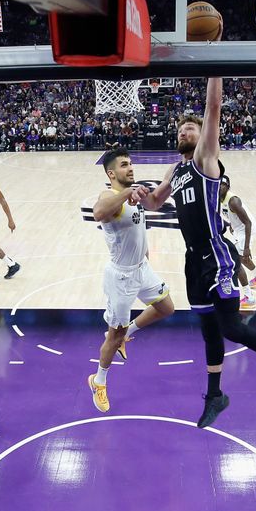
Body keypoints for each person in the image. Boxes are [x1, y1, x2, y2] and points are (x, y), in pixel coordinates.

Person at [138, 76, 256, 429]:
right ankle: (216, 395)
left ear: (203, 137)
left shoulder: (204, 158)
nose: (185, 132)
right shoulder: (175, 168)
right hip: (192, 260)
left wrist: (216, 65)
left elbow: (213, 108)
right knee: (209, 332)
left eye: (191, 128)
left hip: (216, 255)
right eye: (182, 129)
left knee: (230, 327)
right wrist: (138, 194)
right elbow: (155, 202)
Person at [87, 148, 175, 413]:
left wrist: (172, 174)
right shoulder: (110, 196)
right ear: (111, 173)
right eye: (125, 165)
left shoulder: (134, 194)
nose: (131, 168)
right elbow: (99, 212)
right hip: (121, 278)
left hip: (141, 269)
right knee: (113, 337)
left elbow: (156, 203)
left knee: (166, 307)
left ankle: (128, 335)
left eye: (131, 163)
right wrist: (127, 193)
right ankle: (98, 381)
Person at [218, 174, 256, 309]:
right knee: (242, 260)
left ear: (228, 187)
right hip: (239, 228)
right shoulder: (219, 198)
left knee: (237, 262)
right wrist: (232, 226)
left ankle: (249, 298)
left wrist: (246, 247)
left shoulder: (233, 201)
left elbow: (248, 222)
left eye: (223, 185)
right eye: (218, 184)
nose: (220, 187)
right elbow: (230, 215)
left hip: (246, 227)